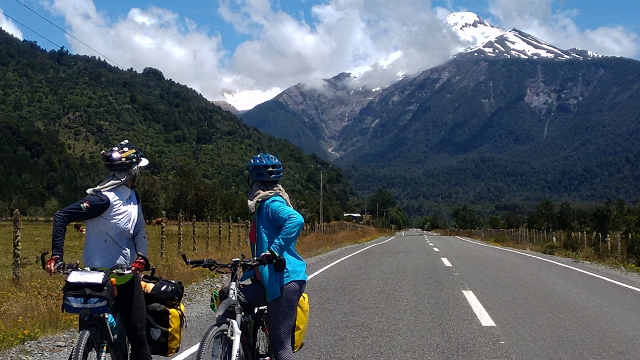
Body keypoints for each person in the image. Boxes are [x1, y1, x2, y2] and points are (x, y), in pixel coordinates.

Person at [45, 140, 152, 360]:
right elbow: (62, 216)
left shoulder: (133, 198)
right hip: (95, 279)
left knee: (138, 336)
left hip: (125, 276)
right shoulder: (103, 199)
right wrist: (57, 256)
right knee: (97, 331)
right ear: (133, 172)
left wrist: (141, 256)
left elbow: (139, 229)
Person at [240, 153, 308, 360]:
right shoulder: (263, 205)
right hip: (271, 279)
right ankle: (243, 348)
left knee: (281, 346)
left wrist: (273, 251)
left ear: (253, 180)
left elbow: (296, 220)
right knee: (233, 295)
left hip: (285, 280)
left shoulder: (271, 204)